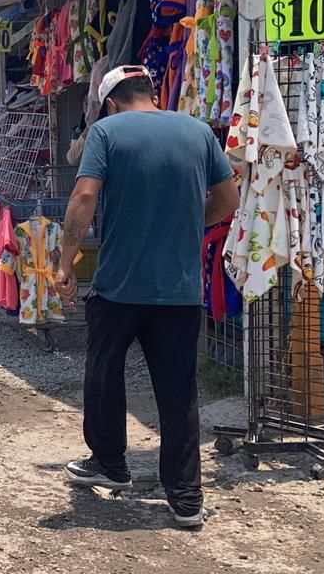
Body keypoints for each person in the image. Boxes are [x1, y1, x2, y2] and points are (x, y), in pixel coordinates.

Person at [56, 66, 238, 529]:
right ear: (151, 94)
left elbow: (83, 196)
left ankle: (111, 465)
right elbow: (229, 199)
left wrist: (65, 263)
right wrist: (191, 225)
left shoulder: (107, 132)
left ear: (111, 102)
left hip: (119, 287)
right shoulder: (197, 131)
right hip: (178, 290)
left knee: (103, 376)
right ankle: (186, 498)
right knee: (178, 393)